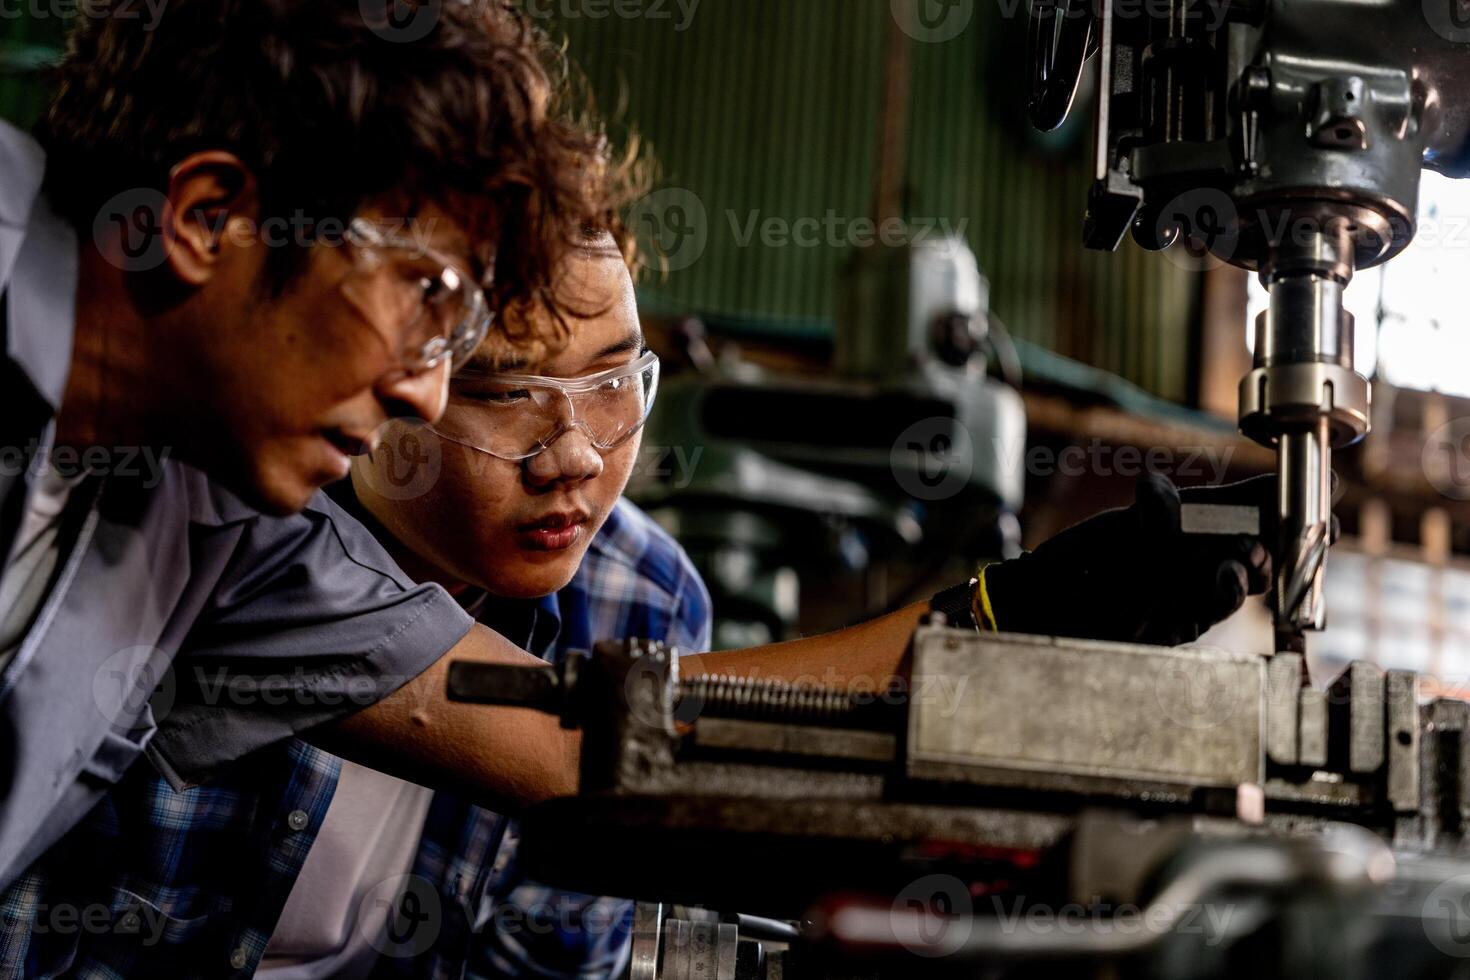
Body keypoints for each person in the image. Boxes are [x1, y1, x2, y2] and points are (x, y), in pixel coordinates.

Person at [0, 0, 1278, 916]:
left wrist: (1010, 616)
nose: (424, 388)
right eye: (427, 296)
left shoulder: (233, 529)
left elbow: (578, 745)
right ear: (208, 218)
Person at [0, 240, 702, 978]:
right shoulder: (208, 523)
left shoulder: (646, 600)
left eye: (615, 378)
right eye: (506, 391)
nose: (578, 456)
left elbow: (550, 956)